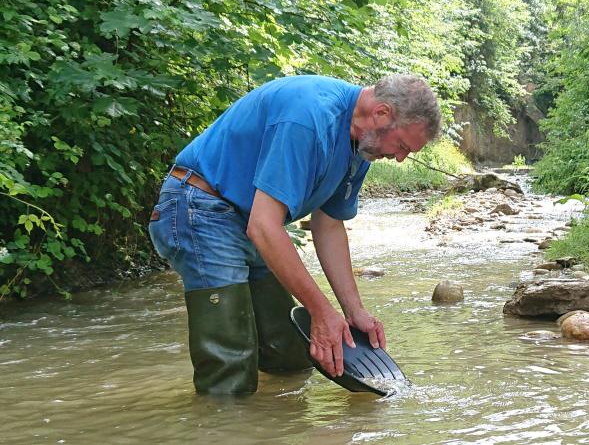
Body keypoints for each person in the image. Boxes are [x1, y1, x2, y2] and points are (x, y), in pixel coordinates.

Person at [148, 74, 441, 395]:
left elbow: (328, 225)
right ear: (382, 113)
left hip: (247, 219)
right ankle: (223, 417)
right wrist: (321, 312)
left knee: (289, 355)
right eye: (402, 146)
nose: (400, 158)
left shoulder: (362, 147)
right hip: (201, 207)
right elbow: (264, 226)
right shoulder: (308, 118)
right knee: (230, 370)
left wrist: (354, 311)